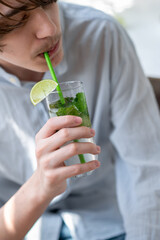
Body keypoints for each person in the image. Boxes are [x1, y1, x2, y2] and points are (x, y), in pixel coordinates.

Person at [0, 0, 160, 239]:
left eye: (47, 2)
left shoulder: (100, 34)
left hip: (112, 222)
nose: (50, 28)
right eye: (17, 21)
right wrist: (40, 188)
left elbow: (146, 167)